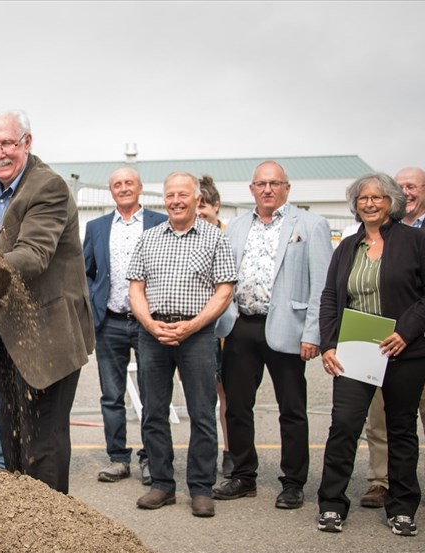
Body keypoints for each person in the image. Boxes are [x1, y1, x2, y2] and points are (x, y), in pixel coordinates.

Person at [0, 110, 94, 494]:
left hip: (47, 334)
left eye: (8, 143)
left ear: (27, 142)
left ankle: (52, 530)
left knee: (43, 444)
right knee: (12, 441)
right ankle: (24, 530)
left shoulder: (49, 188)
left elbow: (32, 255)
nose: (0, 152)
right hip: (4, 332)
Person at [317, 172, 425, 536]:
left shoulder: (416, 241)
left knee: (401, 428)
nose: (370, 203)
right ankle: (330, 504)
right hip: (356, 347)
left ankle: (403, 507)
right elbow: (330, 298)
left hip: (404, 348)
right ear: (355, 204)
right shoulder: (347, 246)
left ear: (391, 201)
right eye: (363, 198)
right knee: (344, 424)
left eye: (377, 197)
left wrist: (406, 331)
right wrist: (329, 344)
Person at [212, 160, 333, 510]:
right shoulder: (235, 227)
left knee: (292, 409)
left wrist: (314, 334)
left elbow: (322, 286)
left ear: (287, 188)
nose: (267, 189)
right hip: (241, 325)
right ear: (251, 189)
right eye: (261, 184)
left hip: (287, 328)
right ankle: (243, 475)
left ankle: (293, 482)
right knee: (236, 406)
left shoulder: (310, 225)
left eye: (274, 183)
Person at [359, 167, 425, 518]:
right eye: (399, 188)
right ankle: (381, 480)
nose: (406, 193)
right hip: (378, 339)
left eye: (412, 187)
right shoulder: (373, 234)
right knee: (379, 417)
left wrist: (409, 316)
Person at [126, 172, 236, 517]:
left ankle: (201, 488)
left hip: (198, 335)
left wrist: (193, 325)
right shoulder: (149, 239)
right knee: (154, 412)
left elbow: (225, 290)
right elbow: (136, 288)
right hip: (153, 333)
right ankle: (162, 484)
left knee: (202, 413)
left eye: (182, 195)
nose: (175, 201)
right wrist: (149, 323)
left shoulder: (215, 239)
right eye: (170, 195)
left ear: (196, 199)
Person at [84, 167, 166, 484]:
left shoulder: (159, 223)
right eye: (117, 184)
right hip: (110, 323)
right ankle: (118, 458)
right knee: (111, 396)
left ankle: (150, 458)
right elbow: (86, 270)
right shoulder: (97, 227)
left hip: (149, 323)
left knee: (152, 395)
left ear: (140, 188)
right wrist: (94, 300)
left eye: (129, 183)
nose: (123, 188)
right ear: (111, 191)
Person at [196, 174, 233, 479]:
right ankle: (206, 455)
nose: (200, 215)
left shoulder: (228, 237)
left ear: (216, 207)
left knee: (227, 394)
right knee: (206, 394)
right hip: (198, 330)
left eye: (205, 208)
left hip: (226, 329)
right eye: (196, 210)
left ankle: (230, 452)